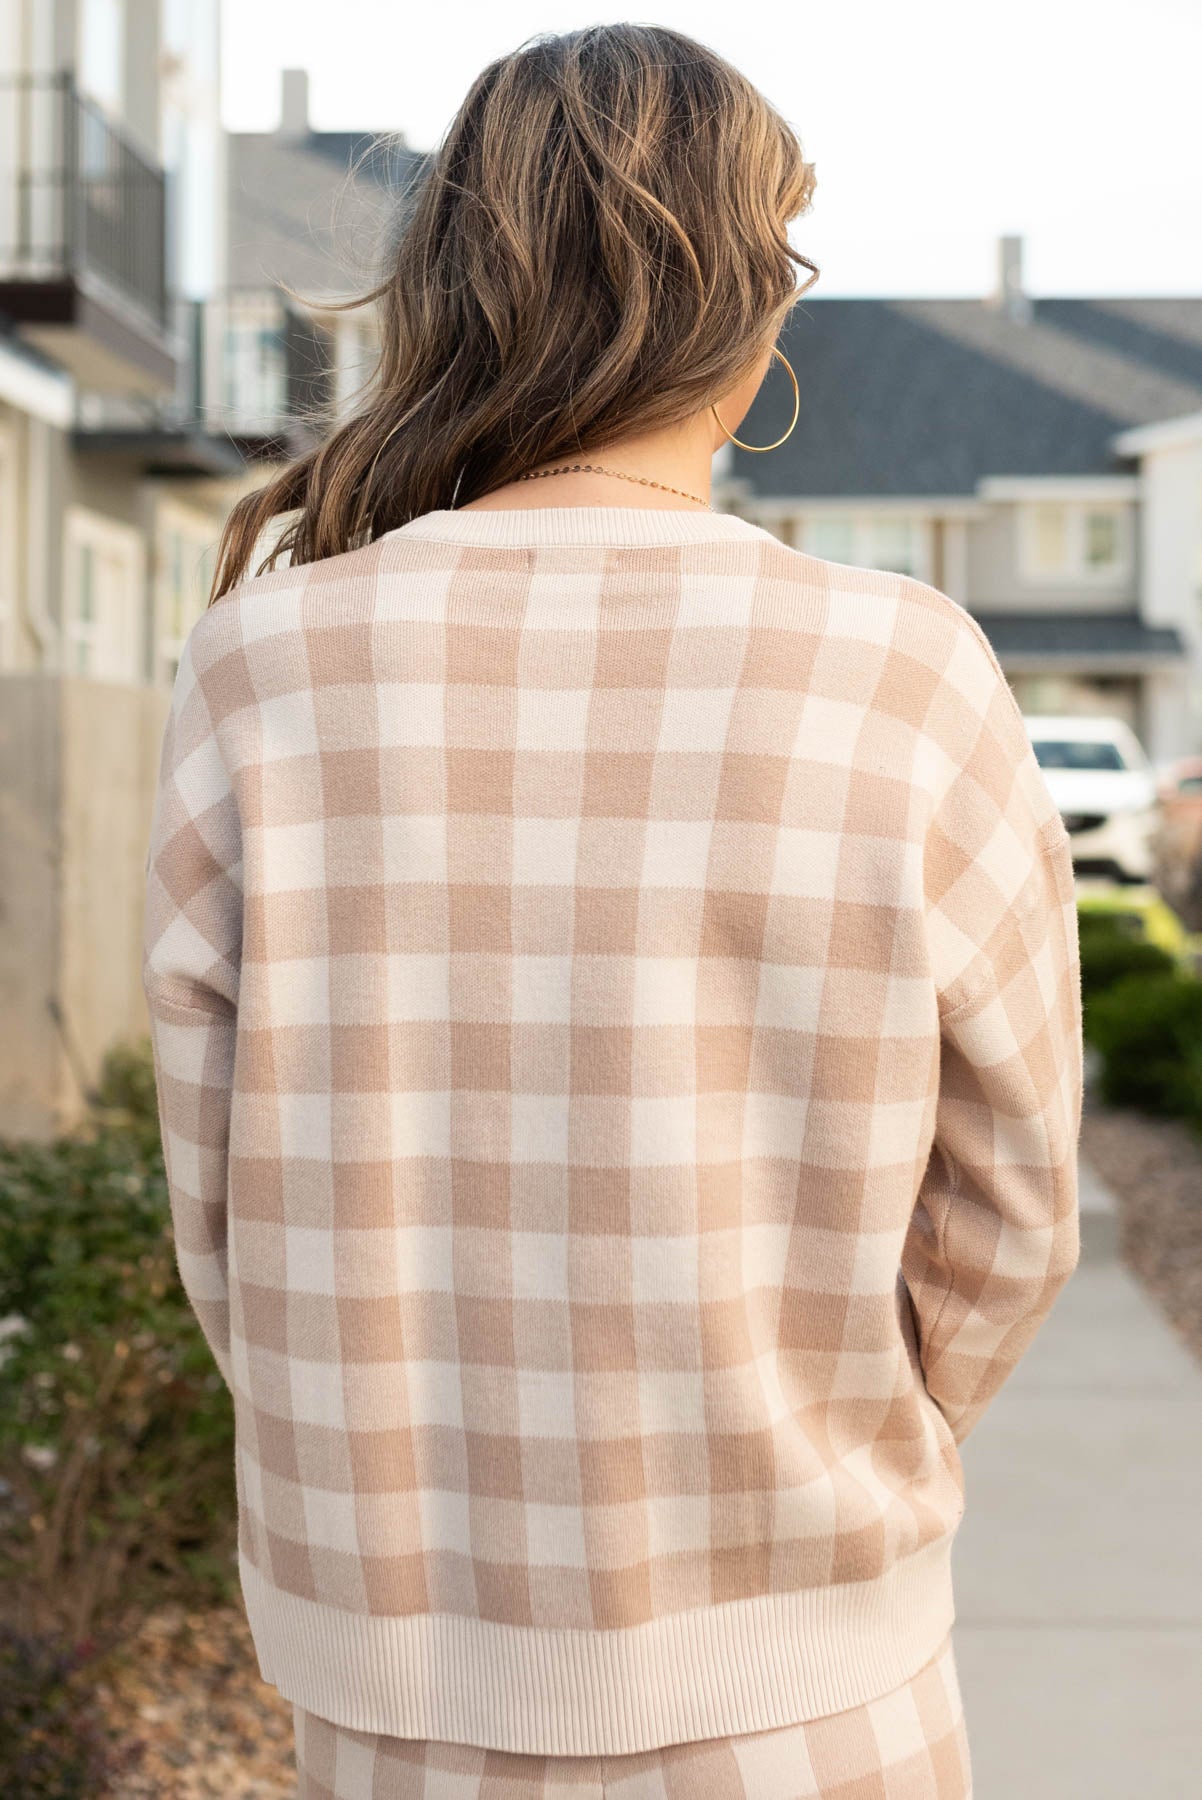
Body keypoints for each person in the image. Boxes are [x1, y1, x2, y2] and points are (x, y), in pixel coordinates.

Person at [141, 23, 1083, 1799]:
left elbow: (224, 1214)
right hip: (814, 1684)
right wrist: (838, 1439)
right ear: (745, 303)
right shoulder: (901, 673)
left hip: (390, 1681)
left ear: (456, 290)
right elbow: (1014, 1207)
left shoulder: (264, 665)